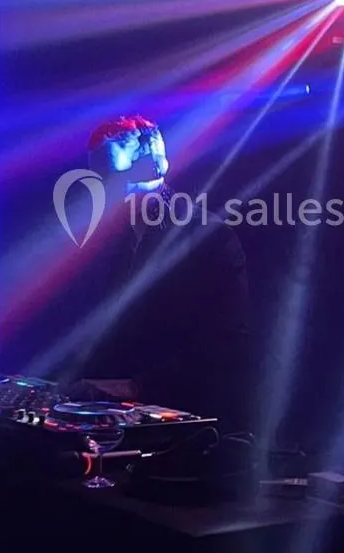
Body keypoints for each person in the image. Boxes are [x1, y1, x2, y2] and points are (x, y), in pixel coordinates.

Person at [74, 115, 255, 431]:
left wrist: (135, 387)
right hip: (122, 418)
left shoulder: (209, 236)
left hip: (188, 422)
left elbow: (225, 343)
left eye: (109, 175)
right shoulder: (113, 241)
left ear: (154, 168)